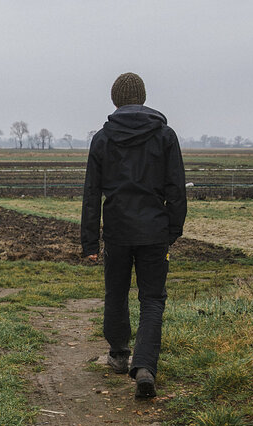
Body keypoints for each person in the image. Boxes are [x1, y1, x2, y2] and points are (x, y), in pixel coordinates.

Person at [80, 72, 186, 399]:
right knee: (152, 298)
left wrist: (89, 242)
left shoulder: (102, 138)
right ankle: (145, 367)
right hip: (154, 230)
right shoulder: (165, 136)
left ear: (115, 99)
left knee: (117, 291)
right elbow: (177, 189)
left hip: (117, 231)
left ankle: (118, 353)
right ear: (143, 98)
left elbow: (91, 193)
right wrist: (172, 229)